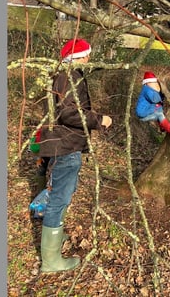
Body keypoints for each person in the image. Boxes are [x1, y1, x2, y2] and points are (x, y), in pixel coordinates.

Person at [37, 37, 112, 273]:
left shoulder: (61, 74)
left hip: (60, 144)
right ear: (79, 56)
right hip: (66, 145)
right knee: (59, 198)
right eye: (87, 54)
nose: (89, 58)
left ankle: (55, 235)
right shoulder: (70, 77)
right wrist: (99, 120)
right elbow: (68, 113)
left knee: (60, 194)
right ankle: (51, 261)